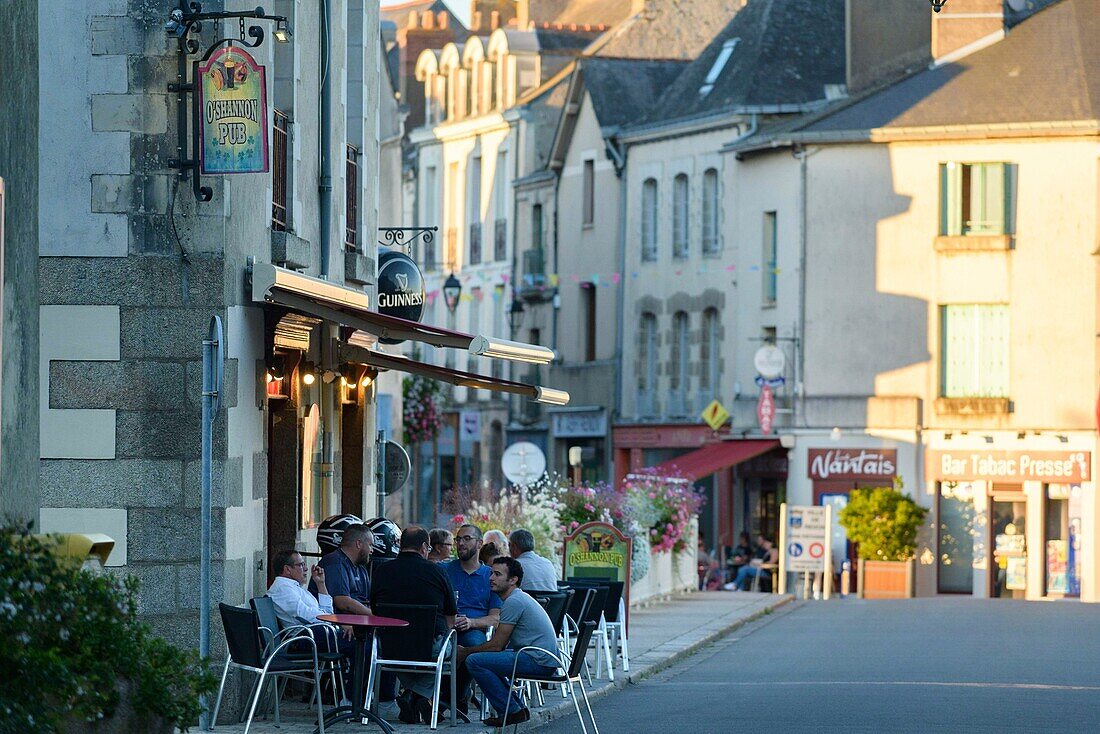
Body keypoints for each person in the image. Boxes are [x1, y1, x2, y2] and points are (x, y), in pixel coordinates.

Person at [370, 525, 458, 724]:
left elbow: (375, 611)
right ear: (425, 547)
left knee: (404, 656)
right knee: (449, 649)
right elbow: (451, 620)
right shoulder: (437, 572)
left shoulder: (381, 571)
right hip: (429, 647)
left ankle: (411, 694)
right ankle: (417, 695)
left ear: (401, 546)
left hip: (390, 647)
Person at [458, 557, 559, 727]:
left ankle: (511, 711)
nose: (491, 578)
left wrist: (464, 652)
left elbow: (497, 645)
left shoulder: (514, 602)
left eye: (497, 574)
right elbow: (498, 647)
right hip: (541, 657)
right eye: (491, 573)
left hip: (539, 661)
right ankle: (516, 709)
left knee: (474, 661)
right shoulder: (517, 598)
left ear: (513, 580)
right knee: (486, 660)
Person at [309, 524, 373, 614]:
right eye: (370, 545)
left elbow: (367, 600)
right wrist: (373, 615)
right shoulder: (334, 562)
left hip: (359, 621)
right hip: (337, 623)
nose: (372, 550)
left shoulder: (361, 567)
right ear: (358, 544)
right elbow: (343, 602)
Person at [268, 549, 335, 627]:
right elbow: (306, 616)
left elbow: (328, 612)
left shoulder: (294, 587)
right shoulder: (282, 589)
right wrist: (334, 621)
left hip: (319, 630)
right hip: (307, 635)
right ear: (287, 569)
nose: (306, 568)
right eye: (301, 565)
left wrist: (321, 584)